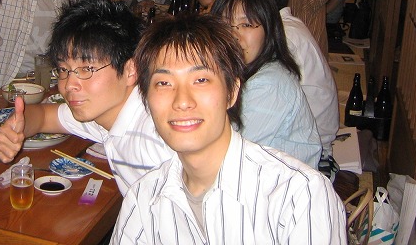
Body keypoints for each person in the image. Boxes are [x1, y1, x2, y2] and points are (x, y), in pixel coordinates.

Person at [111, 13, 347, 244]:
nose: (182, 101)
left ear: (232, 92)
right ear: (145, 99)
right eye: (164, 83)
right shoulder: (143, 200)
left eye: (201, 80)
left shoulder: (298, 196)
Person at [0, 0, 174, 194]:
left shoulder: (155, 141)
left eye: (87, 69)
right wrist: (16, 127)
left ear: (130, 70)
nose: (69, 84)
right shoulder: (108, 112)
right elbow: (44, 116)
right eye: (63, 69)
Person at [234, 0, 340, 164]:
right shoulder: (284, 25)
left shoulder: (284, 37)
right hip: (301, 136)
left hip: (309, 153)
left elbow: (235, 150)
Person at [212, 0, 322, 168]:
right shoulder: (240, 71)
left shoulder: (270, 84)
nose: (234, 35)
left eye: (246, 24)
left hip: (281, 182)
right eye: (225, 24)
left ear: (269, 30)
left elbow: (227, 156)